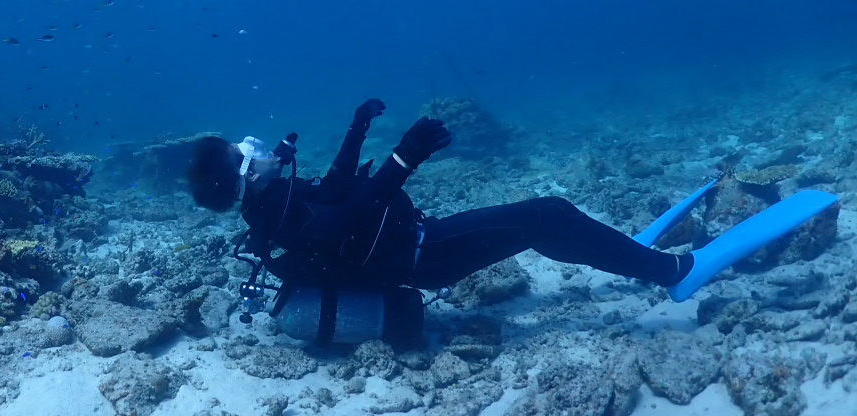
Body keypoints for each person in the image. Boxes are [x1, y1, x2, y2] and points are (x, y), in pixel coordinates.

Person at [187, 99, 836, 344]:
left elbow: (331, 191)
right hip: (421, 257)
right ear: (248, 176)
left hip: (416, 242)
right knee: (546, 215)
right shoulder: (279, 216)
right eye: (247, 154)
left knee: (543, 224)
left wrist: (356, 128)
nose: (259, 147)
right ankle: (674, 270)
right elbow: (347, 219)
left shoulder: (272, 206)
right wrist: (404, 155)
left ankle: (614, 252)